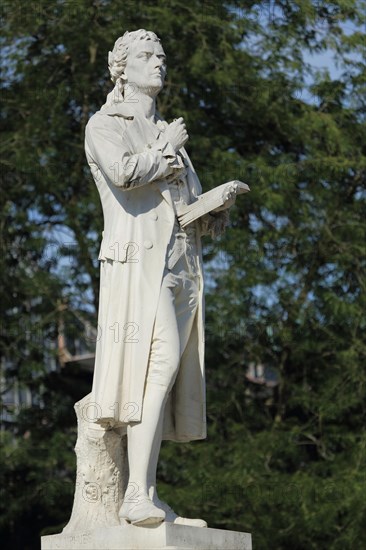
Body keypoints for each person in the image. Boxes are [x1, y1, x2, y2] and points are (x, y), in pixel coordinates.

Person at [85, 29, 228, 527]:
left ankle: (146, 490)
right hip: (138, 265)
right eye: (147, 56)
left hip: (183, 265)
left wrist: (214, 205)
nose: (159, 62)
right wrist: (167, 148)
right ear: (121, 67)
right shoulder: (106, 124)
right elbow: (125, 173)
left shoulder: (168, 130)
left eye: (161, 55)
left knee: (167, 378)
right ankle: (132, 497)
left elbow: (183, 205)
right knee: (158, 363)